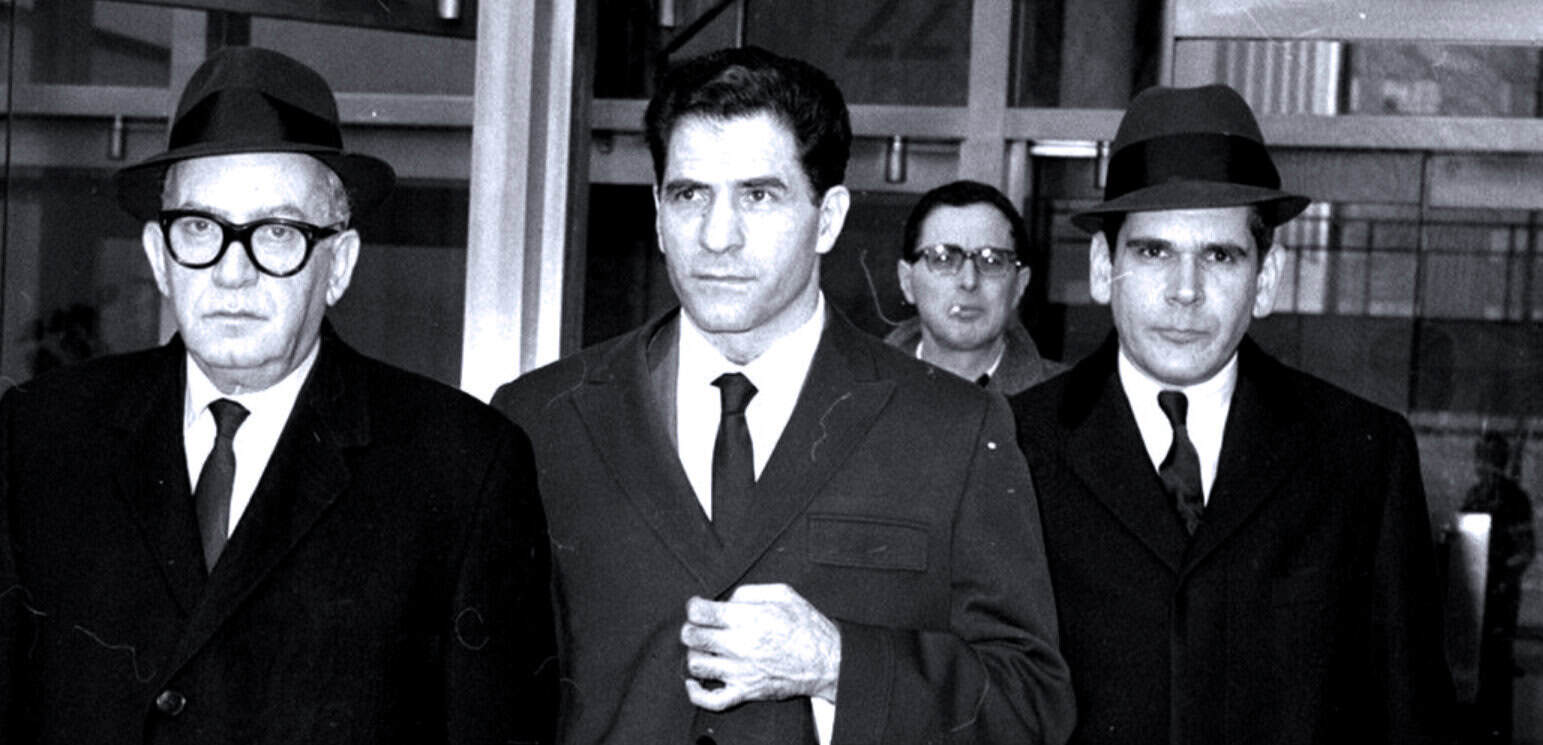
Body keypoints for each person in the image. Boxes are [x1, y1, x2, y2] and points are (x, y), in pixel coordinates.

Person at [492, 46, 1073, 745]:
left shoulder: (951, 428)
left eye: (758, 195)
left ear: (827, 219)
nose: (716, 236)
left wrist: (836, 663)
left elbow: (1030, 706)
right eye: (689, 194)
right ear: (656, 212)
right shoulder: (541, 418)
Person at [0, 47, 557, 744]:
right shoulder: (38, 437)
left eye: (277, 232)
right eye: (199, 228)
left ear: (339, 265)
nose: (233, 273)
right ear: (157, 256)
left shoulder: (461, 464)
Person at [1009, 84, 1454, 745]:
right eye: (1153, 251)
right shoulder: (1012, 443)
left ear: (1265, 278)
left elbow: (1410, 715)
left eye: (1218, 255)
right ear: (1103, 269)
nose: (1184, 291)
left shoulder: (1361, 454)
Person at [887, 180, 1064, 394]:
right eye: (944, 259)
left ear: (1019, 286)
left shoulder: (1069, 404)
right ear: (907, 281)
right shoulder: (852, 396)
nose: (969, 281)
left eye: (991, 261)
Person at [1459, 431, 1535, 744]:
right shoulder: (1476, 495)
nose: (1484, 465)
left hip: (1499, 602)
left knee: (1497, 672)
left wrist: (1502, 582)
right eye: (1482, 457)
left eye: (1490, 457)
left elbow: (1525, 549)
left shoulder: (1515, 499)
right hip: (1476, 599)